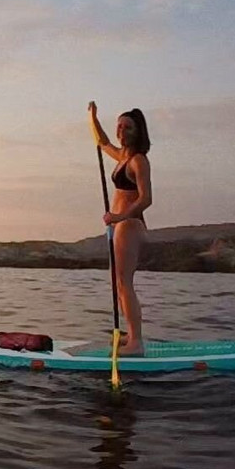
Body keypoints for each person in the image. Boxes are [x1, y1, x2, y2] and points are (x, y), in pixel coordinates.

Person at [88, 102, 152, 356]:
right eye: (119, 126)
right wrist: (93, 118)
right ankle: (130, 335)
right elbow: (103, 142)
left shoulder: (138, 161)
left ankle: (136, 342)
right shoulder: (122, 157)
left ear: (138, 132)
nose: (122, 131)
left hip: (129, 224)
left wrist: (118, 216)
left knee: (125, 282)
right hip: (120, 225)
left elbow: (146, 199)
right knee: (118, 283)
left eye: (128, 127)